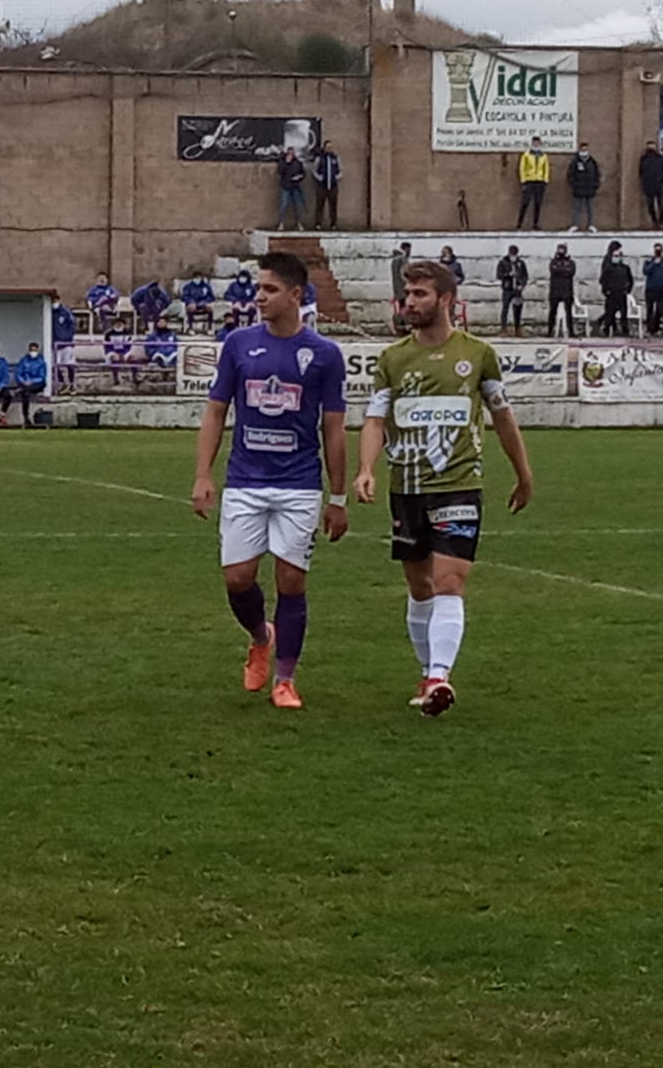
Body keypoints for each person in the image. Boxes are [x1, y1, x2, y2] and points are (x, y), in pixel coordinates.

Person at [354, 260, 535, 717]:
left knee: (450, 582)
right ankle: (428, 671)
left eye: (419, 294)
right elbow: (376, 418)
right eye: (407, 294)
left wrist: (523, 472)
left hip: (459, 483)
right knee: (419, 589)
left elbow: (501, 415)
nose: (409, 302)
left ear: (446, 300)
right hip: (408, 486)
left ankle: (439, 676)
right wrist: (366, 468)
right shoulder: (393, 358)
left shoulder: (477, 354)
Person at [191, 251, 348, 711]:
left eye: (269, 289)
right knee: (238, 578)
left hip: (299, 483)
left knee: (291, 581)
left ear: (295, 295)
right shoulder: (239, 345)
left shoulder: (324, 355)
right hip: (245, 480)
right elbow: (216, 411)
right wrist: (203, 474)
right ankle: (261, 638)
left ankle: (286, 678)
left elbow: (334, 428)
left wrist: (337, 497)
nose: (258, 296)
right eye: (258, 288)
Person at [5, 342, 48, 427]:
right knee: (25, 393)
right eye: (32, 350)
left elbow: (42, 377)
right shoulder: (24, 360)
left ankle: (18, 391)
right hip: (25, 384)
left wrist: (31, 381)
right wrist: (23, 381)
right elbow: (18, 373)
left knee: (26, 390)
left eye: (35, 350)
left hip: (37, 384)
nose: (33, 352)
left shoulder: (41, 362)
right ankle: (26, 417)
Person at [598, 245, 634, 338]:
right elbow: (602, 280)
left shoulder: (625, 268)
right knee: (610, 313)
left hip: (622, 293)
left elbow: (630, 280)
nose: (616, 258)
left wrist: (628, 290)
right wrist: (606, 291)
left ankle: (625, 330)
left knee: (623, 314)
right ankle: (607, 330)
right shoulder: (608, 268)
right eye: (614, 256)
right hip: (611, 294)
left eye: (618, 256)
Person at [565, 142, 601, 233]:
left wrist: (595, 185)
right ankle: (575, 225)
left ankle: (591, 225)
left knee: (590, 208)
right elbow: (570, 174)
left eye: (586, 149)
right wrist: (574, 185)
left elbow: (597, 174)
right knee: (577, 207)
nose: (584, 151)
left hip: (589, 188)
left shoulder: (592, 161)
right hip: (578, 188)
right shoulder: (575, 161)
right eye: (583, 149)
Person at [515, 136, 549, 230]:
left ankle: (535, 224)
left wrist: (545, 180)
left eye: (537, 143)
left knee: (538, 203)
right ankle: (519, 224)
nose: (536, 145)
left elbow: (546, 168)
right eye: (534, 143)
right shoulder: (526, 155)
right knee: (525, 203)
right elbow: (522, 168)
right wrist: (523, 180)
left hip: (539, 181)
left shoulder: (543, 155)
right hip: (529, 181)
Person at [495, 244, 529, 335]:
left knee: (518, 309)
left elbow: (525, 275)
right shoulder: (503, 262)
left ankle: (517, 329)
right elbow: (499, 275)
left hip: (517, 290)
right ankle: (503, 329)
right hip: (507, 288)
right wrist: (508, 274)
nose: (513, 257)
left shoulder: (521, 263)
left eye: (515, 255)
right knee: (505, 308)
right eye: (512, 254)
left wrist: (522, 284)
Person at [642, 243, 663, 337]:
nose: (658, 252)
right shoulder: (649, 261)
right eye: (656, 250)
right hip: (651, 290)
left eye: (659, 250)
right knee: (650, 309)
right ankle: (649, 329)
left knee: (661, 309)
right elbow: (646, 271)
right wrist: (654, 264)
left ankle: (657, 327)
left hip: (662, 291)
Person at [547, 244, 578, 338]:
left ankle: (571, 331)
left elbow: (571, 272)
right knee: (552, 312)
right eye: (559, 250)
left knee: (569, 313)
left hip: (567, 291)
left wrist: (561, 270)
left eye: (562, 250)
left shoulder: (571, 262)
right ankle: (549, 331)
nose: (561, 252)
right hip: (555, 291)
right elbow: (554, 271)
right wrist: (563, 271)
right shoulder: (553, 262)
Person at [639, 142, 663, 229]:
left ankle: (659, 222)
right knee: (652, 205)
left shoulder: (660, 159)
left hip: (656, 185)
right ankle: (656, 222)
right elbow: (641, 172)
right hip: (651, 185)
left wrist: (660, 177)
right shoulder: (644, 159)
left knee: (658, 204)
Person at [51, 293, 78, 391]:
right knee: (54, 365)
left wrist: (67, 337)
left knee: (69, 364)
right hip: (54, 344)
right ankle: (62, 383)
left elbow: (73, 326)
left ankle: (72, 384)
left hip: (66, 343)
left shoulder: (65, 312)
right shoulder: (49, 312)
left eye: (55, 301)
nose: (54, 303)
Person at [312, 141, 341, 230]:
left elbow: (340, 170)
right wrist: (319, 177)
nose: (329, 149)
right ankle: (318, 224)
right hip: (322, 186)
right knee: (320, 205)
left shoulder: (336, 158)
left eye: (331, 147)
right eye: (328, 147)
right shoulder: (319, 158)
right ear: (324, 148)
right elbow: (314, 170)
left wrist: (336, 177)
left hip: (333, 185)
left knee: (333, 205)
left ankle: (333, 224)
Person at [276, 148, 307, 231]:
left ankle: (298, 223)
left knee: (298, 205)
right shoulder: (283, 162)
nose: (291, 155)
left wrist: (300, 177)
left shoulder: (298, 163)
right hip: (285, 187)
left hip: (295, 187)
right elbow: (279, 172)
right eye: (289, 153)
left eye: (292, 153)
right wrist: (286, 163)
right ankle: (281, 223)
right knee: (284, 204)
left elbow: (303, 173)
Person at [103, 316, 134, 386]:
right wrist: (114, 353)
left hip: (124, 352)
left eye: (120, 323)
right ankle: (115, 378)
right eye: (116, 323)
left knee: (133, 358)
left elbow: (128, 346)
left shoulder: (127, 333)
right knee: (115, 358)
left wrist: (123, 353)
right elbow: (107, 346)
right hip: (112, 352)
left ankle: (134, 377)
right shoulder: (108, 334)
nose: (118, 325)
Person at [390, 242, 412, 334]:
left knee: (401, 306)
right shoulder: (403, 259)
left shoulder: (394, 260)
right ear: (406, 249)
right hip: (404, 288)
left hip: (397, 288)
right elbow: (405, 273)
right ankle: (405, 324)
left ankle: (400, 323)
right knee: (406, 307)